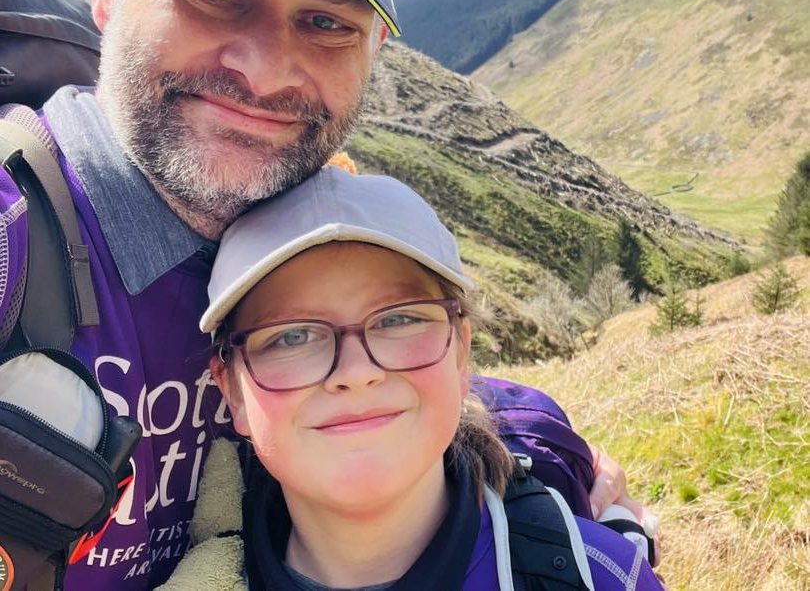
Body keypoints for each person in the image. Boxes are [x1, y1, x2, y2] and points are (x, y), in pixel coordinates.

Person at [0, 0, 651, 589]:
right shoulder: (12, 245)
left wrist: (567, 494)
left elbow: (446, 393)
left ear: (374, 47)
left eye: (326, 23)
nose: (264, 69)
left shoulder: (309, 223)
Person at [158, 165, 663, 590]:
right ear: (234, 392)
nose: (356, 374)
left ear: (462, 353)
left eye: (398, 319)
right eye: (291, 337)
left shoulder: (601, 575)